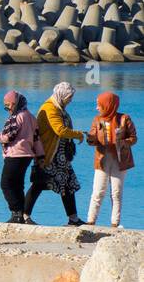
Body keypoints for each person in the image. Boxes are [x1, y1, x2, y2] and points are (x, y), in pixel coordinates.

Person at [23, 81, 86, 225]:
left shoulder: (60, 108)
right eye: (69, 97)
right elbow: (60, 130)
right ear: (61, 95)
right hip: (49, 155)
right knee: (39, 183)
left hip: (61, 157)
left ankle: (73, 218)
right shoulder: (50, 108)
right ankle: (24, 216)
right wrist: (79, 135)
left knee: (68, 184)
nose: (71, 100)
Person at [0, 91, 43, 223]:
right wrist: (40, 156)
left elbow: (8, 137)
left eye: (7, 106)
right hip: (27, 156)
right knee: (18, 185)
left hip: (15, 155)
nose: (7, 109)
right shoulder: (31, 117)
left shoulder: (16, 117)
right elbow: (37, 139)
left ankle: (16, 213)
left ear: (14, 104)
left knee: (6, 184)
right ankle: (20, 215)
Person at [85, 91, 136, 227]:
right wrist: (90, 139)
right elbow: (93, 137)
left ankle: (115, 223)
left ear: (108, 105)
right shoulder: (97, 120)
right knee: (98, 191)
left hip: (120, 160)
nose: (97, 108)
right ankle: (90, 221)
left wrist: (123, 142)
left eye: (99, 105)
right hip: (102, 159)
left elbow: (133, 138)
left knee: (116, 192)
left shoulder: (125, 118)